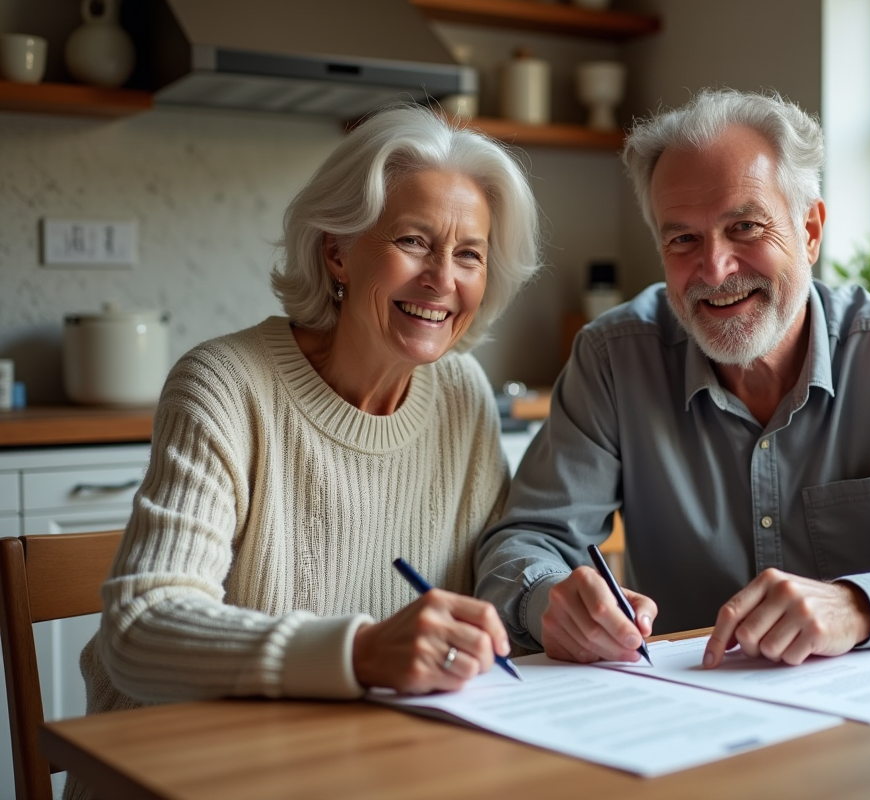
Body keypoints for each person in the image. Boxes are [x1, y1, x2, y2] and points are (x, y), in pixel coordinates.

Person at [475, 89, 870, 671]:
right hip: (681, 708)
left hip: (863, 718)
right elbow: (521, 547)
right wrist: (551, 599)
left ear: (810, 230)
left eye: (745, 227)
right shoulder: (613, 359)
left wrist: (857, 606)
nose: (715, 269)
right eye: (683, 240)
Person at [69, 105, 542, 796]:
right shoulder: (226, 386)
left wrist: (549, 603)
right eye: (414, 240)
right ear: (337, 250)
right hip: (186, 773)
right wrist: (359, 652)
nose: (444, 279)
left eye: (468, 253)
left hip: (366, 768)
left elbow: (491, 582)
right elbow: (141, 629)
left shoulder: (464, 394)